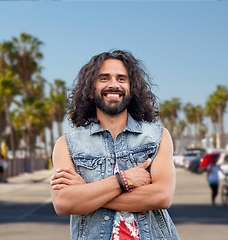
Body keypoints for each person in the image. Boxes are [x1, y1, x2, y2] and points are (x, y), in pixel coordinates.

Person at [50, 50, 180, 239]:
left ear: (131, 88)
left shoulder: (157, 137)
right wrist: (122, 180)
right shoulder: (67, 145)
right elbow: (63, 203)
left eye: (121, 79)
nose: (113, 84)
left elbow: (162, 196)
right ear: (90, 89)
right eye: (104, 78)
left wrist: (88, 191)